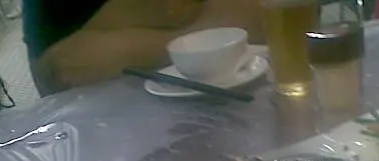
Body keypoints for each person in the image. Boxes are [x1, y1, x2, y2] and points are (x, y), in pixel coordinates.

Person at [22, 0, 264, 96]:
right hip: (108, 130)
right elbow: (60, 70)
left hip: (246, 93)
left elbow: (265, 15)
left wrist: (127, 50)